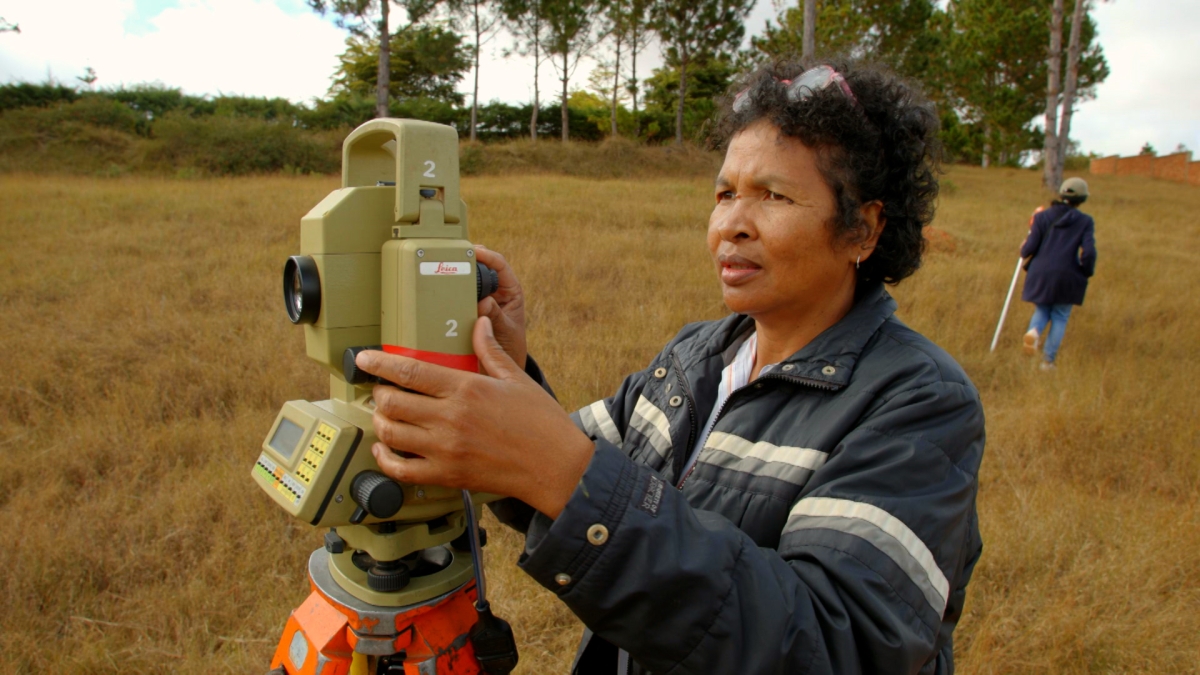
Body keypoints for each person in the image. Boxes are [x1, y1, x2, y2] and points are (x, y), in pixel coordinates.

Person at [354, 58, 985, 675]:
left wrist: (565, 475)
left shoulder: (918, 401)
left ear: (863, 230)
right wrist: (507, 377)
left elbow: (834, 642)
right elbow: (547, 479)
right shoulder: (697, 357)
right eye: (725, 193)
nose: (731, 226)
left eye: (773, 195)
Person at [1020, 177, 1098, 370]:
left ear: (1062, 193)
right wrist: (1086, 271)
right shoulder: (1085, 221)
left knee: (1042, 310)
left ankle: (1034, 333)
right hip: (1068, 275)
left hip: (1040, 273)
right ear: (1082, 199)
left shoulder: (1042, 217)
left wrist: (1023, 249)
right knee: (1060, 316)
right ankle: (1048, 361)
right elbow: (1089, 252)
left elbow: (1028, 248)